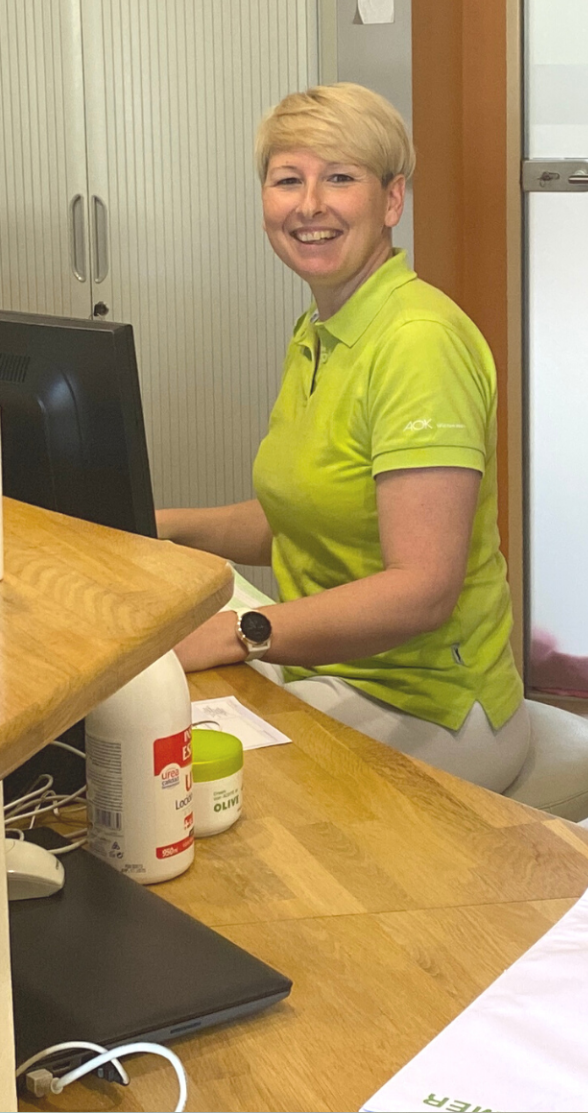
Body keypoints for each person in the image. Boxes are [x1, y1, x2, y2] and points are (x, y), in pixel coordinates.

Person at [157, 83, 530, 792]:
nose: (309, 205)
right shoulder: (322, 329)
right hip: (321, 671)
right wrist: (159, 526)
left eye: (339, 178)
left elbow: (422, 590)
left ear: (392, 200)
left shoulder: (417, 342)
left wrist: (242, 633)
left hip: (423, 704)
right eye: (287, 180)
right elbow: (304, 517)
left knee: (177, 775)